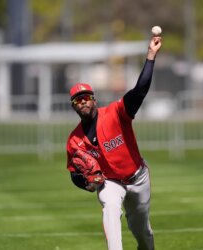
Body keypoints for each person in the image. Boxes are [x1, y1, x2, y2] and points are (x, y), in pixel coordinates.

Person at [66, 36, 162, 250]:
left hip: (138, 178)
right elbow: (74, 173)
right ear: (73, 106)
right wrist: (87, 184)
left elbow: (140, 91)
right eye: (77, 100)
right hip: (109, 182)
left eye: (86, 97)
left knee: (142, 232)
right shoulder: (74, 140)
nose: (83, 102)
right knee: (110, 206)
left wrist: (150, 57)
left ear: (94, 99)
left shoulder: (117, 113)